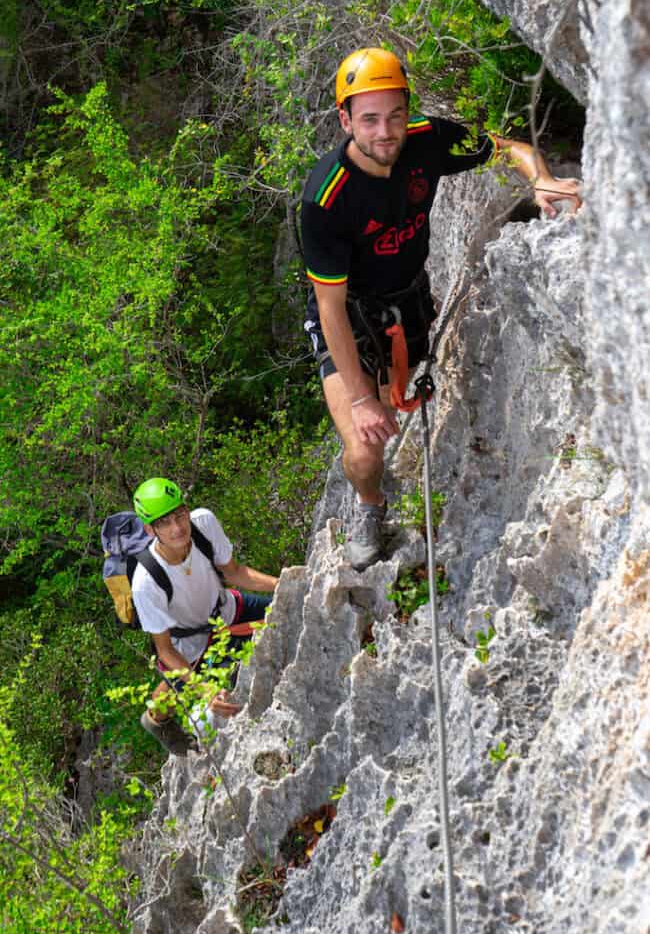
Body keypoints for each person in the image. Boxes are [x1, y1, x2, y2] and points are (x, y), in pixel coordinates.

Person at [301, 47, 582, 570]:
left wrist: (538, 176)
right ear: (345, 120)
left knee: (388, 411)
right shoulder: (328, 198)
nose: (385, 131)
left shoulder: (428, 142)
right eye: (369, 119)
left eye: (394, 115)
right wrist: (359, 399)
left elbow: (508, 148)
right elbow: (330, 306)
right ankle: (369, 504)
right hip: (349, 320)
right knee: (365, 449)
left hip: (405, 306)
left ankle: (378, 430)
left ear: (408, 111)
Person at [132, 477, 279, 754]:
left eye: (179, 515)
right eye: (165, 522)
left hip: (227, 610)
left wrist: (284, 583)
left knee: (287, 608)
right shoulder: (146, 581)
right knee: (181, 692)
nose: (177, 528)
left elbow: (234, 572)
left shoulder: (203, 524)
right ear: (150, 529)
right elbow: (165, 651)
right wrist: (204, 690)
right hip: (187, 645)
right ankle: (156, 720)